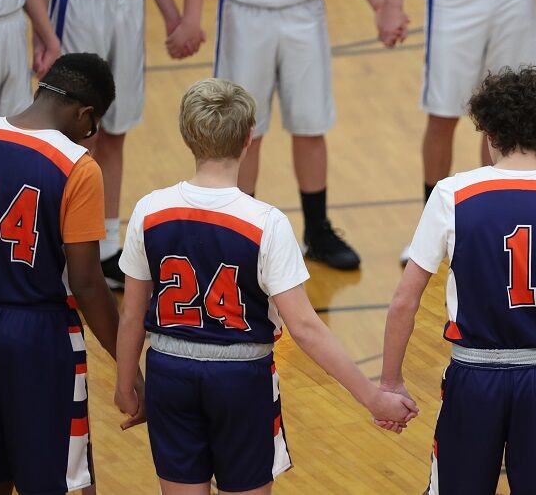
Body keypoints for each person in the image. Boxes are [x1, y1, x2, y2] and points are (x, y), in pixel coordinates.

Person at [114, 78, 417, 495]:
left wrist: (125, 384)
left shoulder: (149, 210)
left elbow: (132, 314)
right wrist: (371, 396)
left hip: (169, 371)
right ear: (249, 139)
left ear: (186, 135)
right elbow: (305, 328)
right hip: (241, 378)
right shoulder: (267, 223)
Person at [379, 68, 536, 494]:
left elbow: (404, 301)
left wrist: (390, 382)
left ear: (487, 131)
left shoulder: (452, 193)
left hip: (472, 378)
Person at [166, 0, 407, 271]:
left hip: (305, 13)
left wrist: (380, 5)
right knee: (243, 131)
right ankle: (239, 230)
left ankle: (317, 231)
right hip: (246, 15)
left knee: (311, 126)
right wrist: (191, 16)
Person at [0, 53, 139, 494]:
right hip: (37, 334)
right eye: (92, 129)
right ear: (85, 115)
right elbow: (86, 282)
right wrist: (127, 363)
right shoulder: (77, 166)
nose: (90, 139)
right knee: (67, 480)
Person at [379, 0, 536, 264]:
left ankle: (498, 221)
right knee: (443, 113)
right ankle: (433, 230)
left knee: (512, 115)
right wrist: (393, 1)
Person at [32, 0, 184, 289]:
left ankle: (106, 246)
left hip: (129, 1)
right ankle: (60, 250)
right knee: (73, 136)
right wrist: (40, 34)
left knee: (116, 130)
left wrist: (172, 16)